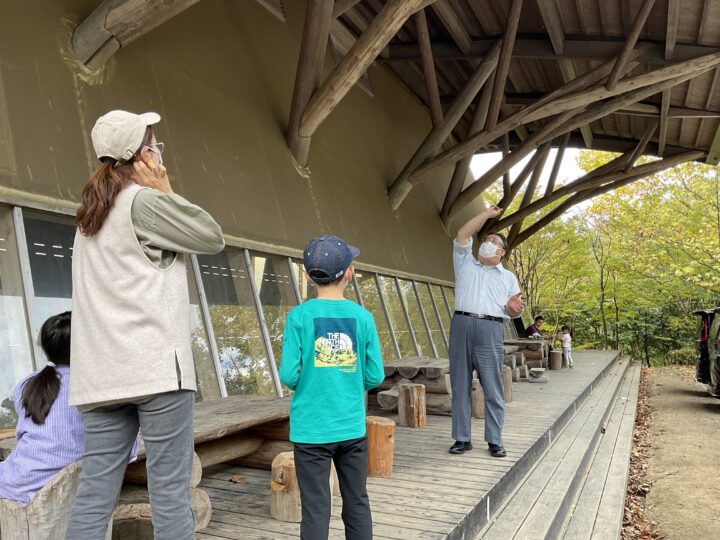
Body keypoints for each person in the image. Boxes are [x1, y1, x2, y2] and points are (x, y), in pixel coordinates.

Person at [65, 110, 225, 539]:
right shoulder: (145, 203)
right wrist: (167, 189)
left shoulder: (88, 217)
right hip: (155, 370)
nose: (160, 153)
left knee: (95, 494)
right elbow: (211, 236)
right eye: (156, 146)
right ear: (142, 156)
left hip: (101, 376)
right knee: (170, 495)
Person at [279, 235, 385, 540]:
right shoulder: (363, 317)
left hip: (311, 429)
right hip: (351, 427)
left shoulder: (298, 317)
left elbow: (289, 375)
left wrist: (313, 380)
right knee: (357, 502)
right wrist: (348, 379)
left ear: (307, 275)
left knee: (315, 507)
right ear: (349, 273)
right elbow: (375, 375)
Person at [448, 206, 525, 458]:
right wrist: (485, 215)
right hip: (461, 324)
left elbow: (513, 310)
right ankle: (462, 438)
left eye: (494, 242)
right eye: (487, 240)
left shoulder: (508, 277)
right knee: (460, 384)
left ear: (502, 252)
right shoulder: (465, 263)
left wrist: (514, 310)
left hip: (491, 328)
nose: (488, 243)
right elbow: (461, 234)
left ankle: (494, 439)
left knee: (492, 385)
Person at [0, 312, 82, 506]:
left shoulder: (25, 384)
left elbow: (24, 437)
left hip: (19, 481)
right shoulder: (93, 385)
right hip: (66, 484)